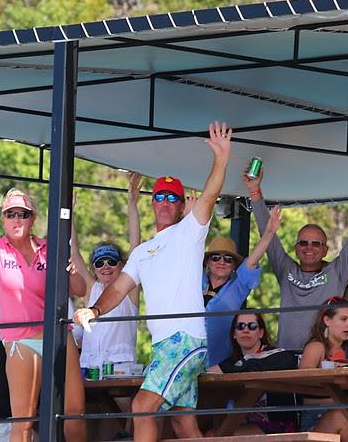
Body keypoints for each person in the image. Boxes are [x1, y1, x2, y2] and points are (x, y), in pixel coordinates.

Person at [74, 121, 233, 442]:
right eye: (159, 195)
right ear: (152, 201)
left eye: (172, 198)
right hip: (163, 346)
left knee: (142, 407)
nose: (164, 202)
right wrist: (93, 311)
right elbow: (118, 289)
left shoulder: (190, 232)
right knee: (182, 424)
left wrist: (221, 158)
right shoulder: (142, 252)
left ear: (179, 205)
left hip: (184, 340)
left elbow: (211, 194)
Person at [0, 132, 86, 442]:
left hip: (58, 337)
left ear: (33, 217)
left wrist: (73, 270)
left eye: (22, 213)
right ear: (3, 218)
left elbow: (78, 289)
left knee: (75, 413)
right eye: (10, 213)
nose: (16, 218)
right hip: (20, 341)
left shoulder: (49, 248)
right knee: (23, 420)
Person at [244, 171, 348, 350]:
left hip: (320, 361)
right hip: (287, 358)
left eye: (316, 244)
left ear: (325, 250)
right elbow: (267, 233)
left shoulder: (336, 272)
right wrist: (254, 190)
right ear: (296, 248)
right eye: (303, 243)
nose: (309, 248)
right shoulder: (286, 270)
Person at [71, 173, 142, 370]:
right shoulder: (91, 289)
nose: (106, 266)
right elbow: (74, 253)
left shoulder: (130, 289)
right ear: (93, 268)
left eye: (111, 261)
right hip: (90, 365)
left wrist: (131, 205)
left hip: (120, 366)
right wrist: (70, 213)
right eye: (99, 263)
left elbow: (136, 247)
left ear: (121, 264)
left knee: (126, 403)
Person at [203, 203, 281, 368]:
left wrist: (269, 233)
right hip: (184, 357)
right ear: (207, 262)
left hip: (217, 362)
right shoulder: (194, 279)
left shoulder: (238, 286)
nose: (222, 262)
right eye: (215, 257)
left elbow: (252, 261)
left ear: (234, 266)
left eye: (228, 259)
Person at [208, 313, 300, 435]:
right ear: (234, 334)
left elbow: (288, 360)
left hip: (279, 426)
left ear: (261, 333)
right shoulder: (234, 362)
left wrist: (240, 366)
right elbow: (207, 373)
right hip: (245, 425)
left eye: (252, 326)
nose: (246, 330)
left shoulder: (278, 355)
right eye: (240, 326)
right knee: (210, 430)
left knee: (217, 435)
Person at [298, 297, 348, 441]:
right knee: (340, 416)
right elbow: (302, 376)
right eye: (343, 319)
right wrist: (331, 369)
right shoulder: (316, 347)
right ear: (327, 320)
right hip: (317, 417)